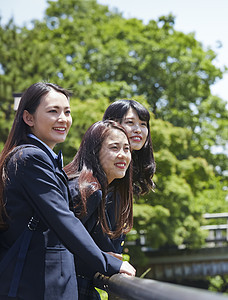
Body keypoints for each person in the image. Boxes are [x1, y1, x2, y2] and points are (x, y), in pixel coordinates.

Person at [0, 82, 135, 300]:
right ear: (29, 118)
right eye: (53, 111)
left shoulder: (39, 158)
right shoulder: (30, 158)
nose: (63, 119)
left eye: (67, 112)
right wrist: (109, 263)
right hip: (33, 286)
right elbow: (62, 219)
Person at [64, 120, 134, 299]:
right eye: (114, 148)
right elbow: (58, 250)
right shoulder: (87, 190)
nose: (122, 155)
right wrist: (104, 260)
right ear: (95, 152)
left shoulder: (97, 189)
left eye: (126, 149)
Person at [103, 99, 156, 196]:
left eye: (143, 124)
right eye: (130, 122)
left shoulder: (128, 169)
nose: (138, 130)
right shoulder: (100, 172)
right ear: (112, 124)